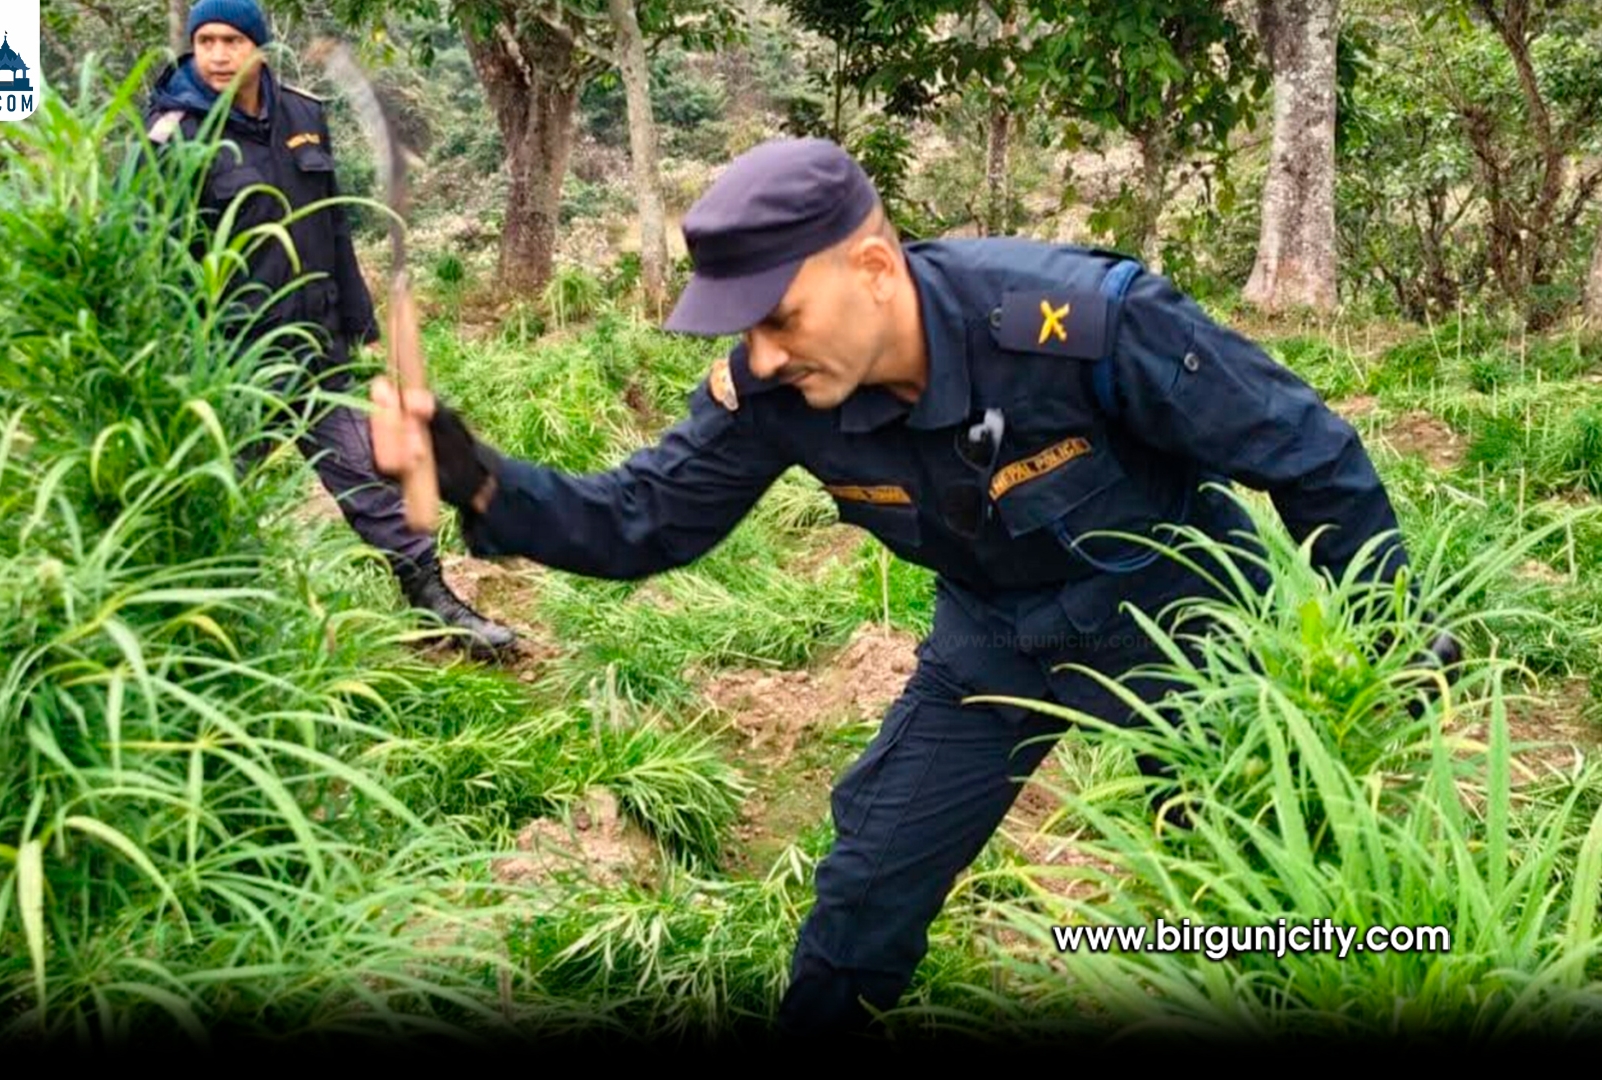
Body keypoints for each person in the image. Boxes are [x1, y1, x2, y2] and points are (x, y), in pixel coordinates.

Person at [367, 137, 1454, 1036]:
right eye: (746, 328)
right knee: (866, 888)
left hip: (1180, 623)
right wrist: (478, 477)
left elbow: (1307, 453)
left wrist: (1388, 627)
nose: (763, 353)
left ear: (876, 269)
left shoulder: (1077, 324)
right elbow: (636, 519)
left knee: (1244, 883)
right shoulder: (779, 389)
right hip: (995, 638)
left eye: (780, 316)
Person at [142, 0, 516, 659]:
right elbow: (151, 252)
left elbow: (334, 222)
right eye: (206, 41)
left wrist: (357, 318)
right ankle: (184, 635)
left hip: (318, 351)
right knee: (209, 494)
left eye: (232, 40)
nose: (218, 55)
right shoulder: (172, 133)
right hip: (232, 363)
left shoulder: (302, 115)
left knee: (368, 480)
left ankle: (437, 604)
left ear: (259, 46)